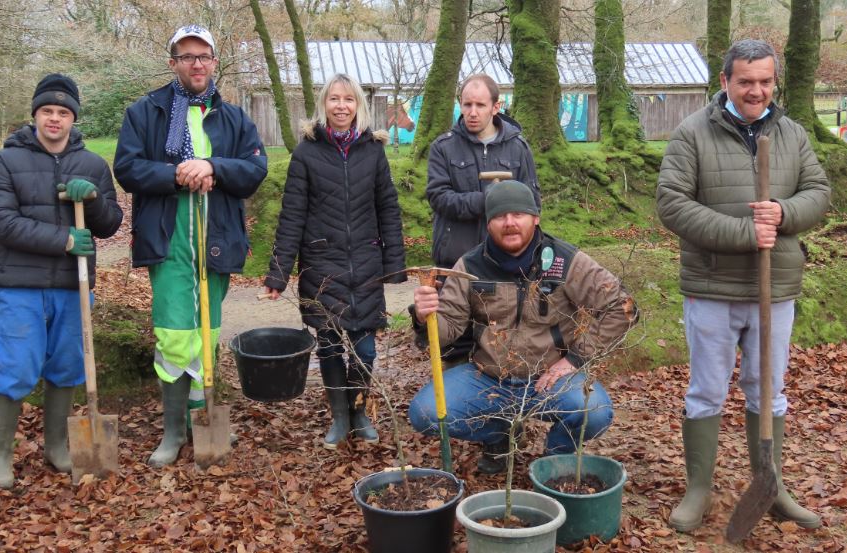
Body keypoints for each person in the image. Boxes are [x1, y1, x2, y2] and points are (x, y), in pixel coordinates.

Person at [656, 39, 830, 532]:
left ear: (775, 81)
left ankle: (770, 484)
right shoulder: (691, 134)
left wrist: (784, 212)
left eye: (765, 81)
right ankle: (699, 489)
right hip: (712, 287)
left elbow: (818, 192)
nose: (757, 91)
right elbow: (672, 204)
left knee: (768, 391)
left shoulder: (793, 135)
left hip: (773, 289)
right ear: (725, 81)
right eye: (746, 81)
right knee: (707, 390)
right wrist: (744, 233)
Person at [114, 25, 268, 467]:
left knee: (208, 332)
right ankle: (172, 429)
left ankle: (204, 419)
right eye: (187, 56)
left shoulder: (233, 117)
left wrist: (212, 167)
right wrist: (177, 174)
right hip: (169, 238)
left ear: (214, 62)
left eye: (204, 56)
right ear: (173, 63)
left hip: (216, 238)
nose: (196, 63)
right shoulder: (146, 112)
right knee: (174, 333)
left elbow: (253, 170)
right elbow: (127, 168)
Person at [409, 180, 636, 474]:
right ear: (488, 223)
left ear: (536, 217)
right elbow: (448, 328)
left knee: (595, 413)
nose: (510, 223)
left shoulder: (565, 262)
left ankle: (553, 459)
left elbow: (623, 308)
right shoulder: (469, 265)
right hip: (487, 377)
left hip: (549, 380)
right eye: (500, 216)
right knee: (424, 413)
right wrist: (424, 316)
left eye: (519, 214)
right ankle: (499, 436)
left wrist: (575, 359)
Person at [0, 73, 123, 488]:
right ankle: (0, 458)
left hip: (71, 287)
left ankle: (58, 448)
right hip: (19, 288)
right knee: (14, 368)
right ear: (35, 115)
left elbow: (111, 224)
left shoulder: (94, 165)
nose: (55, 119)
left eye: (63, 112)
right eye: (48, 111)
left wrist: (94, 200)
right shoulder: (4, 161)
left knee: (65, 368)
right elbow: (1, 222)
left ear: (73, 118)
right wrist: (63, 239)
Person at [264, 73, 406, 449]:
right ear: (323, 105)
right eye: (334, 99)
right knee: (328, 344)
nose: (341, 106)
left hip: (365, 262)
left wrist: (394, 262)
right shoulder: (306, 152)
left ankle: (359, 410)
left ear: (358, 105)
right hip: (321, 261)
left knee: (364, 348)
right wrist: (278, 274)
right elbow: (291, 215)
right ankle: (339, 416)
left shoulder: (372, 150)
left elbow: (387, 207)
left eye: (349, 99)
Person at [422, 74, 542, 365]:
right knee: (454, 336)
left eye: (479, 105)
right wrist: (487, 200)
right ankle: (453, 395)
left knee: (500, 330)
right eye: (466, 105)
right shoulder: (444, 147)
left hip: (503, 259)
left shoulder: (518, 147)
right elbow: (439, 197)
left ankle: (502, 392)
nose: (472, 112)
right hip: (456, 257)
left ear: (496, 106)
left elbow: (533, 201)